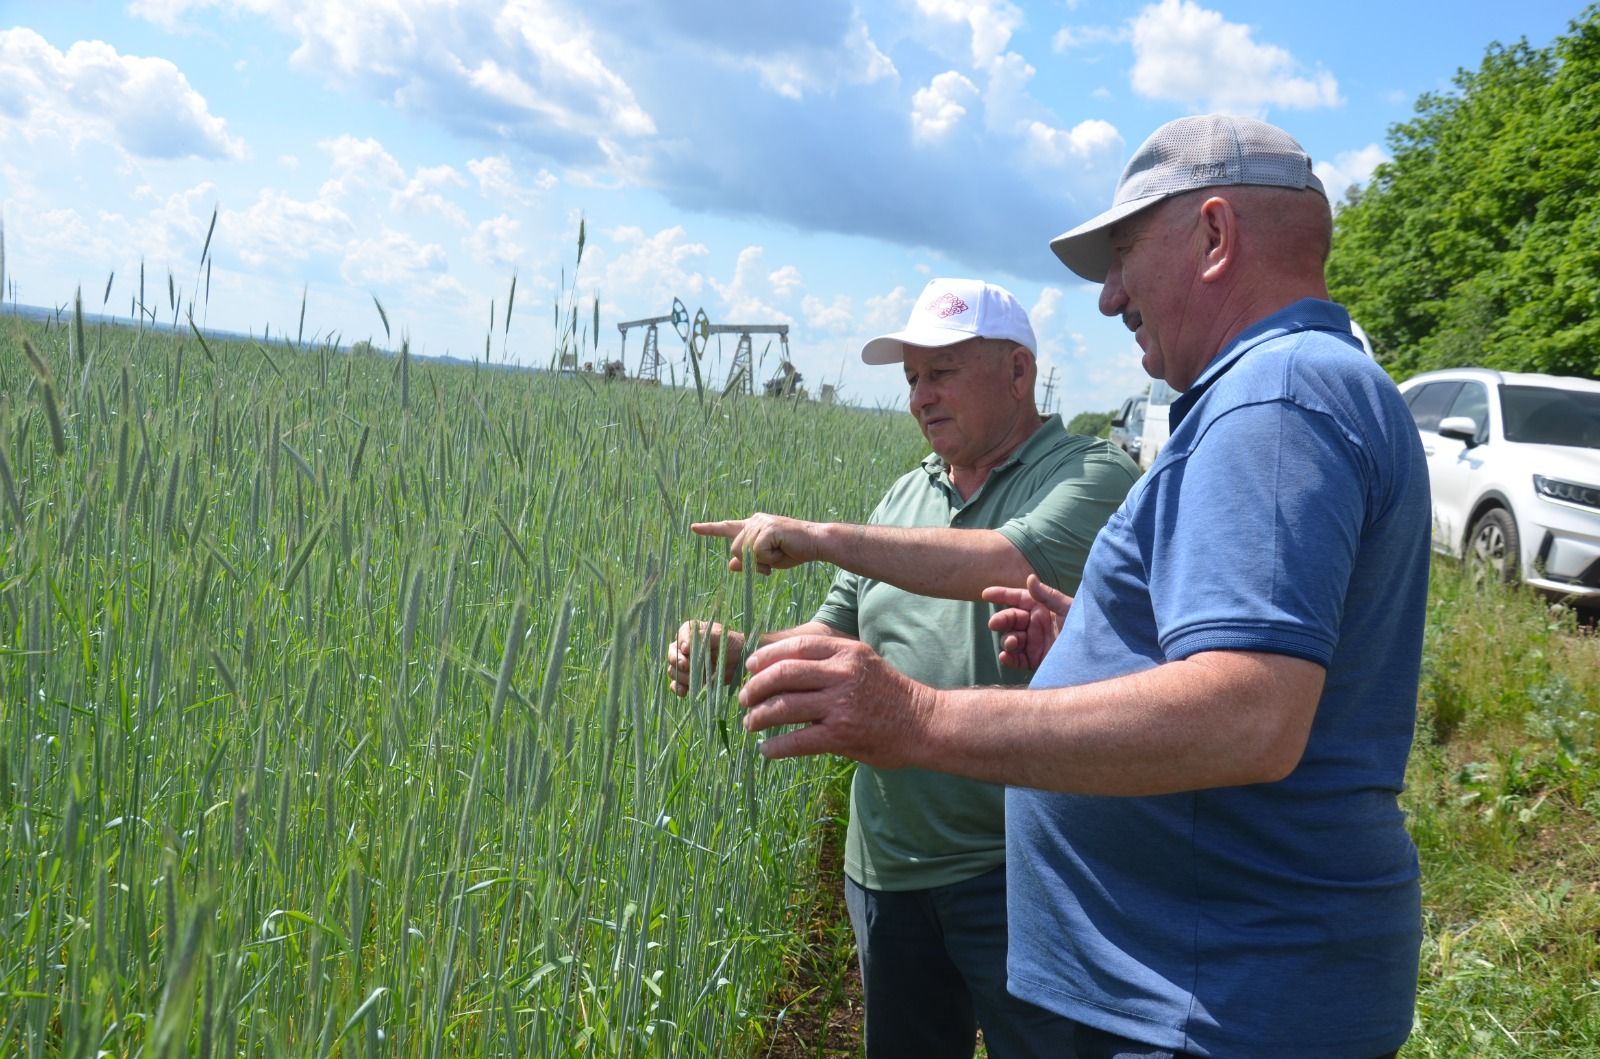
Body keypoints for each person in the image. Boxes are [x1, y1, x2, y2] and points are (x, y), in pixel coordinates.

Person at [736, 115, 1432, 1059]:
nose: (1108, 298)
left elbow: (1249, 715)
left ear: (1216, 236)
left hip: (1215, 1001)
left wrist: (916, 718)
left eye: (1124, 254)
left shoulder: (1274, 401)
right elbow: (1251, 672)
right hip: (1205, 984)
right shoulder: (1292, 389)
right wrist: (1092, 656)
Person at [667, 277, 1137, 1059]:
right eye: (912, 377)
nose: (921, 395)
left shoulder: (1090, 475)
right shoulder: (900, 499)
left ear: (1018, 372)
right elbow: (829, 635)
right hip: (886, 867)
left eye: (942, 371)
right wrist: (738, 655)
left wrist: (818, 534)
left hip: (1027, 874)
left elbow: (1007, 557)